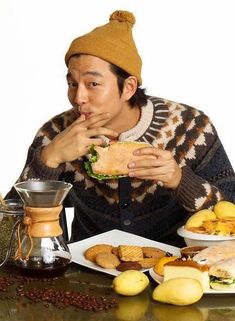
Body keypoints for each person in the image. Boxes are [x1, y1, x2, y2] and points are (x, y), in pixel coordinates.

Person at [6, 10, 235, 246]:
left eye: (93, 84)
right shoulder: (56, 134)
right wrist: (48, 161)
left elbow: (231, 210)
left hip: (173, 271)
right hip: (86, 272)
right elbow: (9, 233)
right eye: (72, 83)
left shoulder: (190, 127)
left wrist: (179, 180)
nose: (79, 97)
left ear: (128, 87)